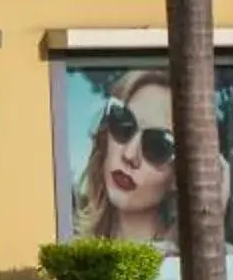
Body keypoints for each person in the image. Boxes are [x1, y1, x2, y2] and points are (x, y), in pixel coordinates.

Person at [73, 67, 182, 246]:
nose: (129, 155)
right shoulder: (74, 252)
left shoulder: (220, 256)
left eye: (157, 145)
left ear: (177, 177)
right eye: (123, 124)